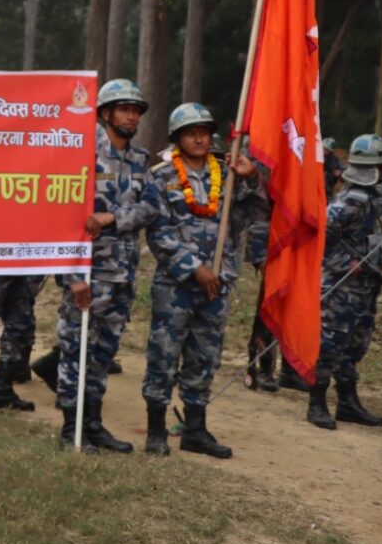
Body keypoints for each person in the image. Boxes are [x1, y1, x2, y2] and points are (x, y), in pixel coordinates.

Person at [31, 79, 161, 453]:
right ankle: (70, 431)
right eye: (123, 109)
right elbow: (61, 214)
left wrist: (110, 219)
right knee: (75, 353)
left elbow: (151, 209)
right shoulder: (82, 154)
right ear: (105, 113)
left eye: (135, 110)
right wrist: (72, 277)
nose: (131, 116)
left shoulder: (140, 160)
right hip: (87, 275)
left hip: (122, 277)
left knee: (103, 356)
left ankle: (94, 425)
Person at [140, 103, 264, 459]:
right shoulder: (161, 176)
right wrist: (196, 267)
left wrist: (251, 177)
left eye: (205, 131)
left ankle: (195, 429)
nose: (199, 137)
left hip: (217, 285)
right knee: (164, 356)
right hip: (176, 286)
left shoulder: (226, 175)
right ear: (178, 138)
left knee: (205, 357)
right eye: (191, 132)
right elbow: (158, 233)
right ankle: (156, 430)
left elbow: (255, 212)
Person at [307, 133, 382, 431]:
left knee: (356, 343)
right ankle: (316, 402)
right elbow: (321, 237)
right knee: (331, 341)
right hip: (341, 286)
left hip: (365, 287)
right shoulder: (350, 201)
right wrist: (347, 263)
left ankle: (347, 401)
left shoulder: (373, 198)